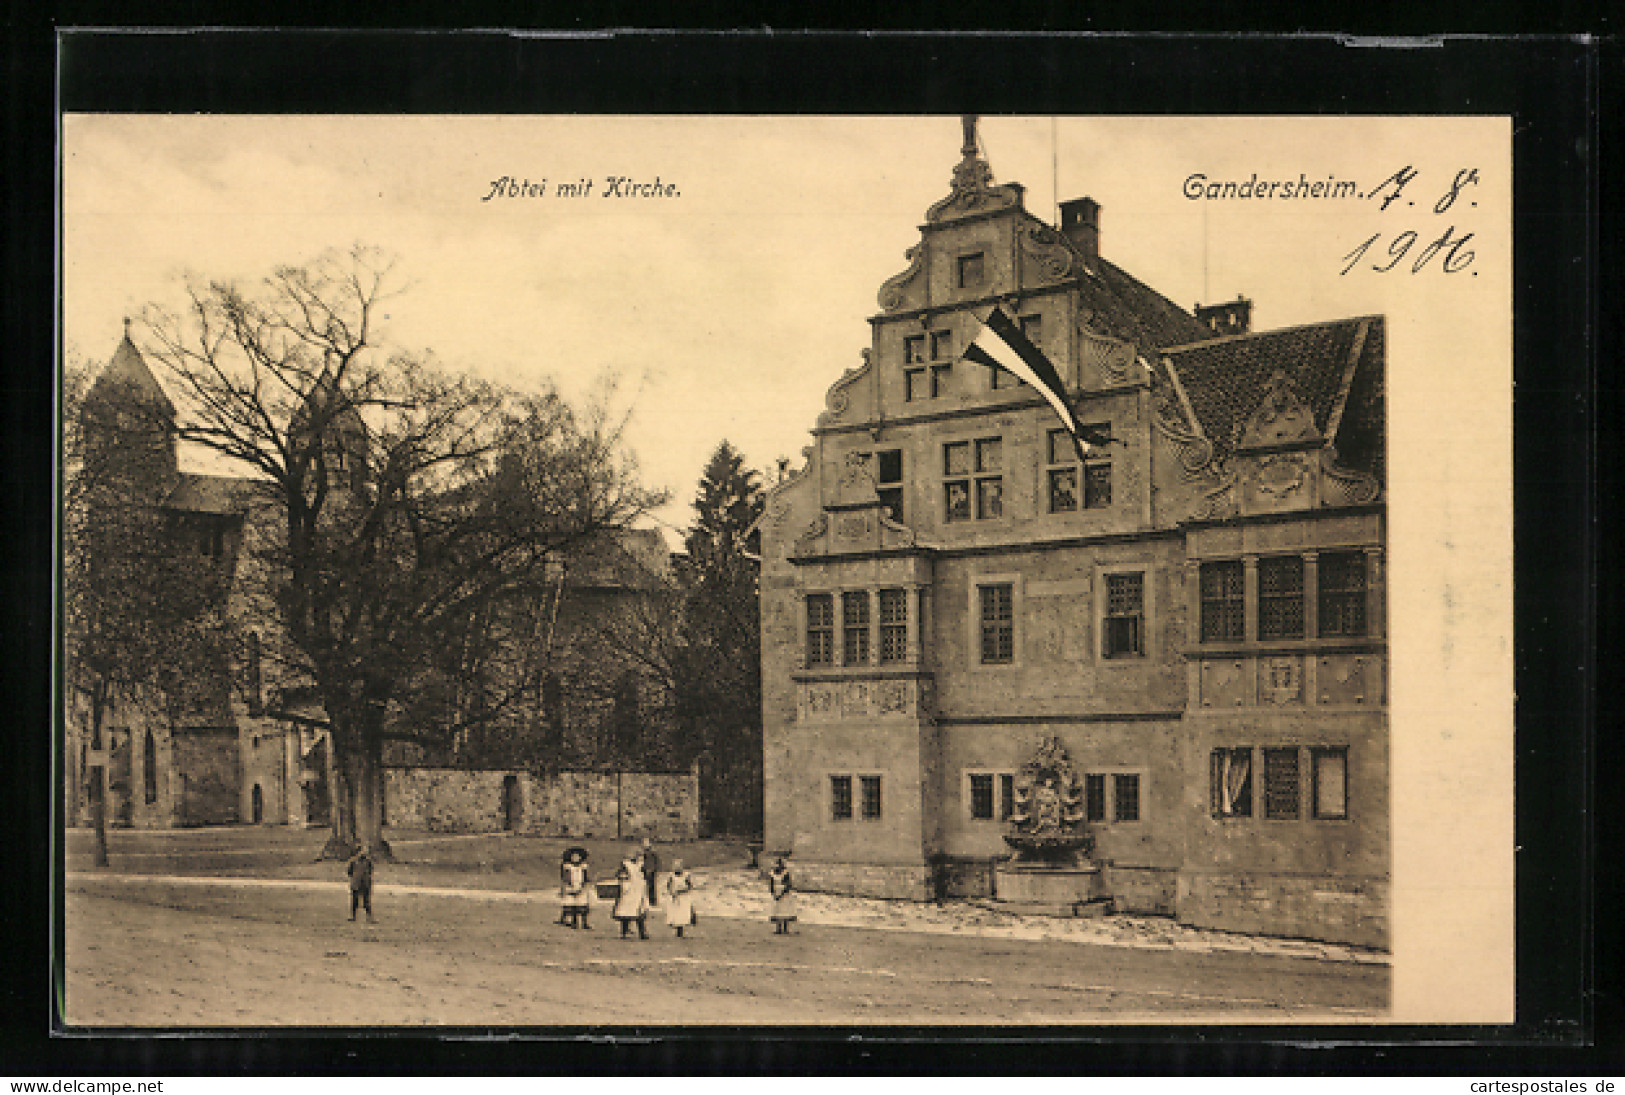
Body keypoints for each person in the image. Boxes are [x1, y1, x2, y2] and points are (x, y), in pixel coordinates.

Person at [612, 849, 649, 939]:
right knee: (626, 912)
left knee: (639, 911)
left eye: (637, 855)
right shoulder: (625, 865)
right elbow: (619, 875)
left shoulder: (641, 865)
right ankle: (624, 932)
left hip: (638, 890)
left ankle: (642, 932)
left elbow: (645, 875)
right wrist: (624, 878)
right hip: (628, 891)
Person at [664, 859, 696, 939]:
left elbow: (690, 886)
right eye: (675, 866)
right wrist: (672, 893)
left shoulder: (686, 875)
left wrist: (681, 891)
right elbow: (668, 886)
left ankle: (681, 931)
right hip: (675, 897)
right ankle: (678, 930)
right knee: (676, 914)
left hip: (684, 897)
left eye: (679, 866)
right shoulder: (671, 876)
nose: (677, 868)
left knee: (683, 914)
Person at [560, 849, 592, 930]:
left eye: (577, 857)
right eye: (573, 857)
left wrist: (584, 886)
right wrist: (569, 886)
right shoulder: (567, 866)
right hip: (571, 886)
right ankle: (573, 922)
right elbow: (565, 877)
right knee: (572, 905)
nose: (575, 858)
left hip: (581, 886)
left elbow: (586, 877)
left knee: (582, 904)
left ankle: (585, 922)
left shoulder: (583, 866)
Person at [767, 857, 796, 935]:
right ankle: (778, 928)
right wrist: (773, 893)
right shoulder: (772, 873)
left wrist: (783, 894)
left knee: (785, 909)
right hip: (777, 891)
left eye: (779, 865)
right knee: (777, 910)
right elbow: (771, 884)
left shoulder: (786, 873)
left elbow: (788, 885)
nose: (778, 867)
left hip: (785, 893)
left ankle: (786, 928)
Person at [347, 844, 375, 923]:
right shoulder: (353, 862)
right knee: (355, 901)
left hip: (365, 883)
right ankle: (353, 916)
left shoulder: (368, 862)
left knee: (366, 901)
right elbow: (349, 872)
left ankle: (369, 917)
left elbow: (370, 871)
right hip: (356, 883)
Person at [640, 837, 662, 910]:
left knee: (651, 886)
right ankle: (649, 901)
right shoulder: (643, 854)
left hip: (651, 871)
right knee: (648, 886)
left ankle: (652, 901)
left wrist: (656, 870)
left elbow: (656, 862)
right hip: (647, 871)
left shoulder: (652, 853)